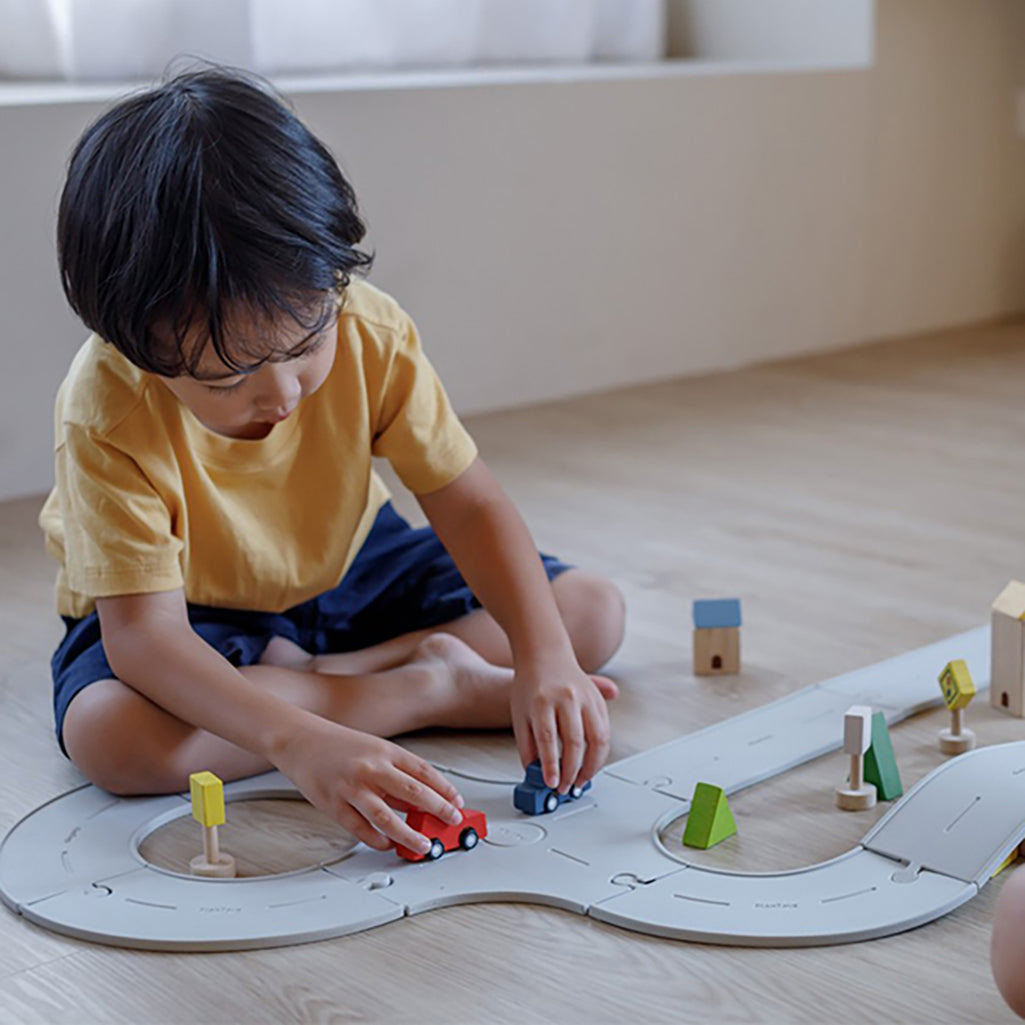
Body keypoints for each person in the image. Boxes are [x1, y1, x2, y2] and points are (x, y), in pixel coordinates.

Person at [38, 66, 625, 859]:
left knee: (588, 613)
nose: (281, 391)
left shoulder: (372, 331)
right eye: (227, 375)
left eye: (308, 340)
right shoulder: (105, 406)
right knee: (113, 737)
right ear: (136, 346)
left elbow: (469, 504)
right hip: (188, 612)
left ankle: (332, 678)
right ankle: (421, 685)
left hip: (349, 560)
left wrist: (544, 654)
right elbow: (144, 639)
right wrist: (293, 743)